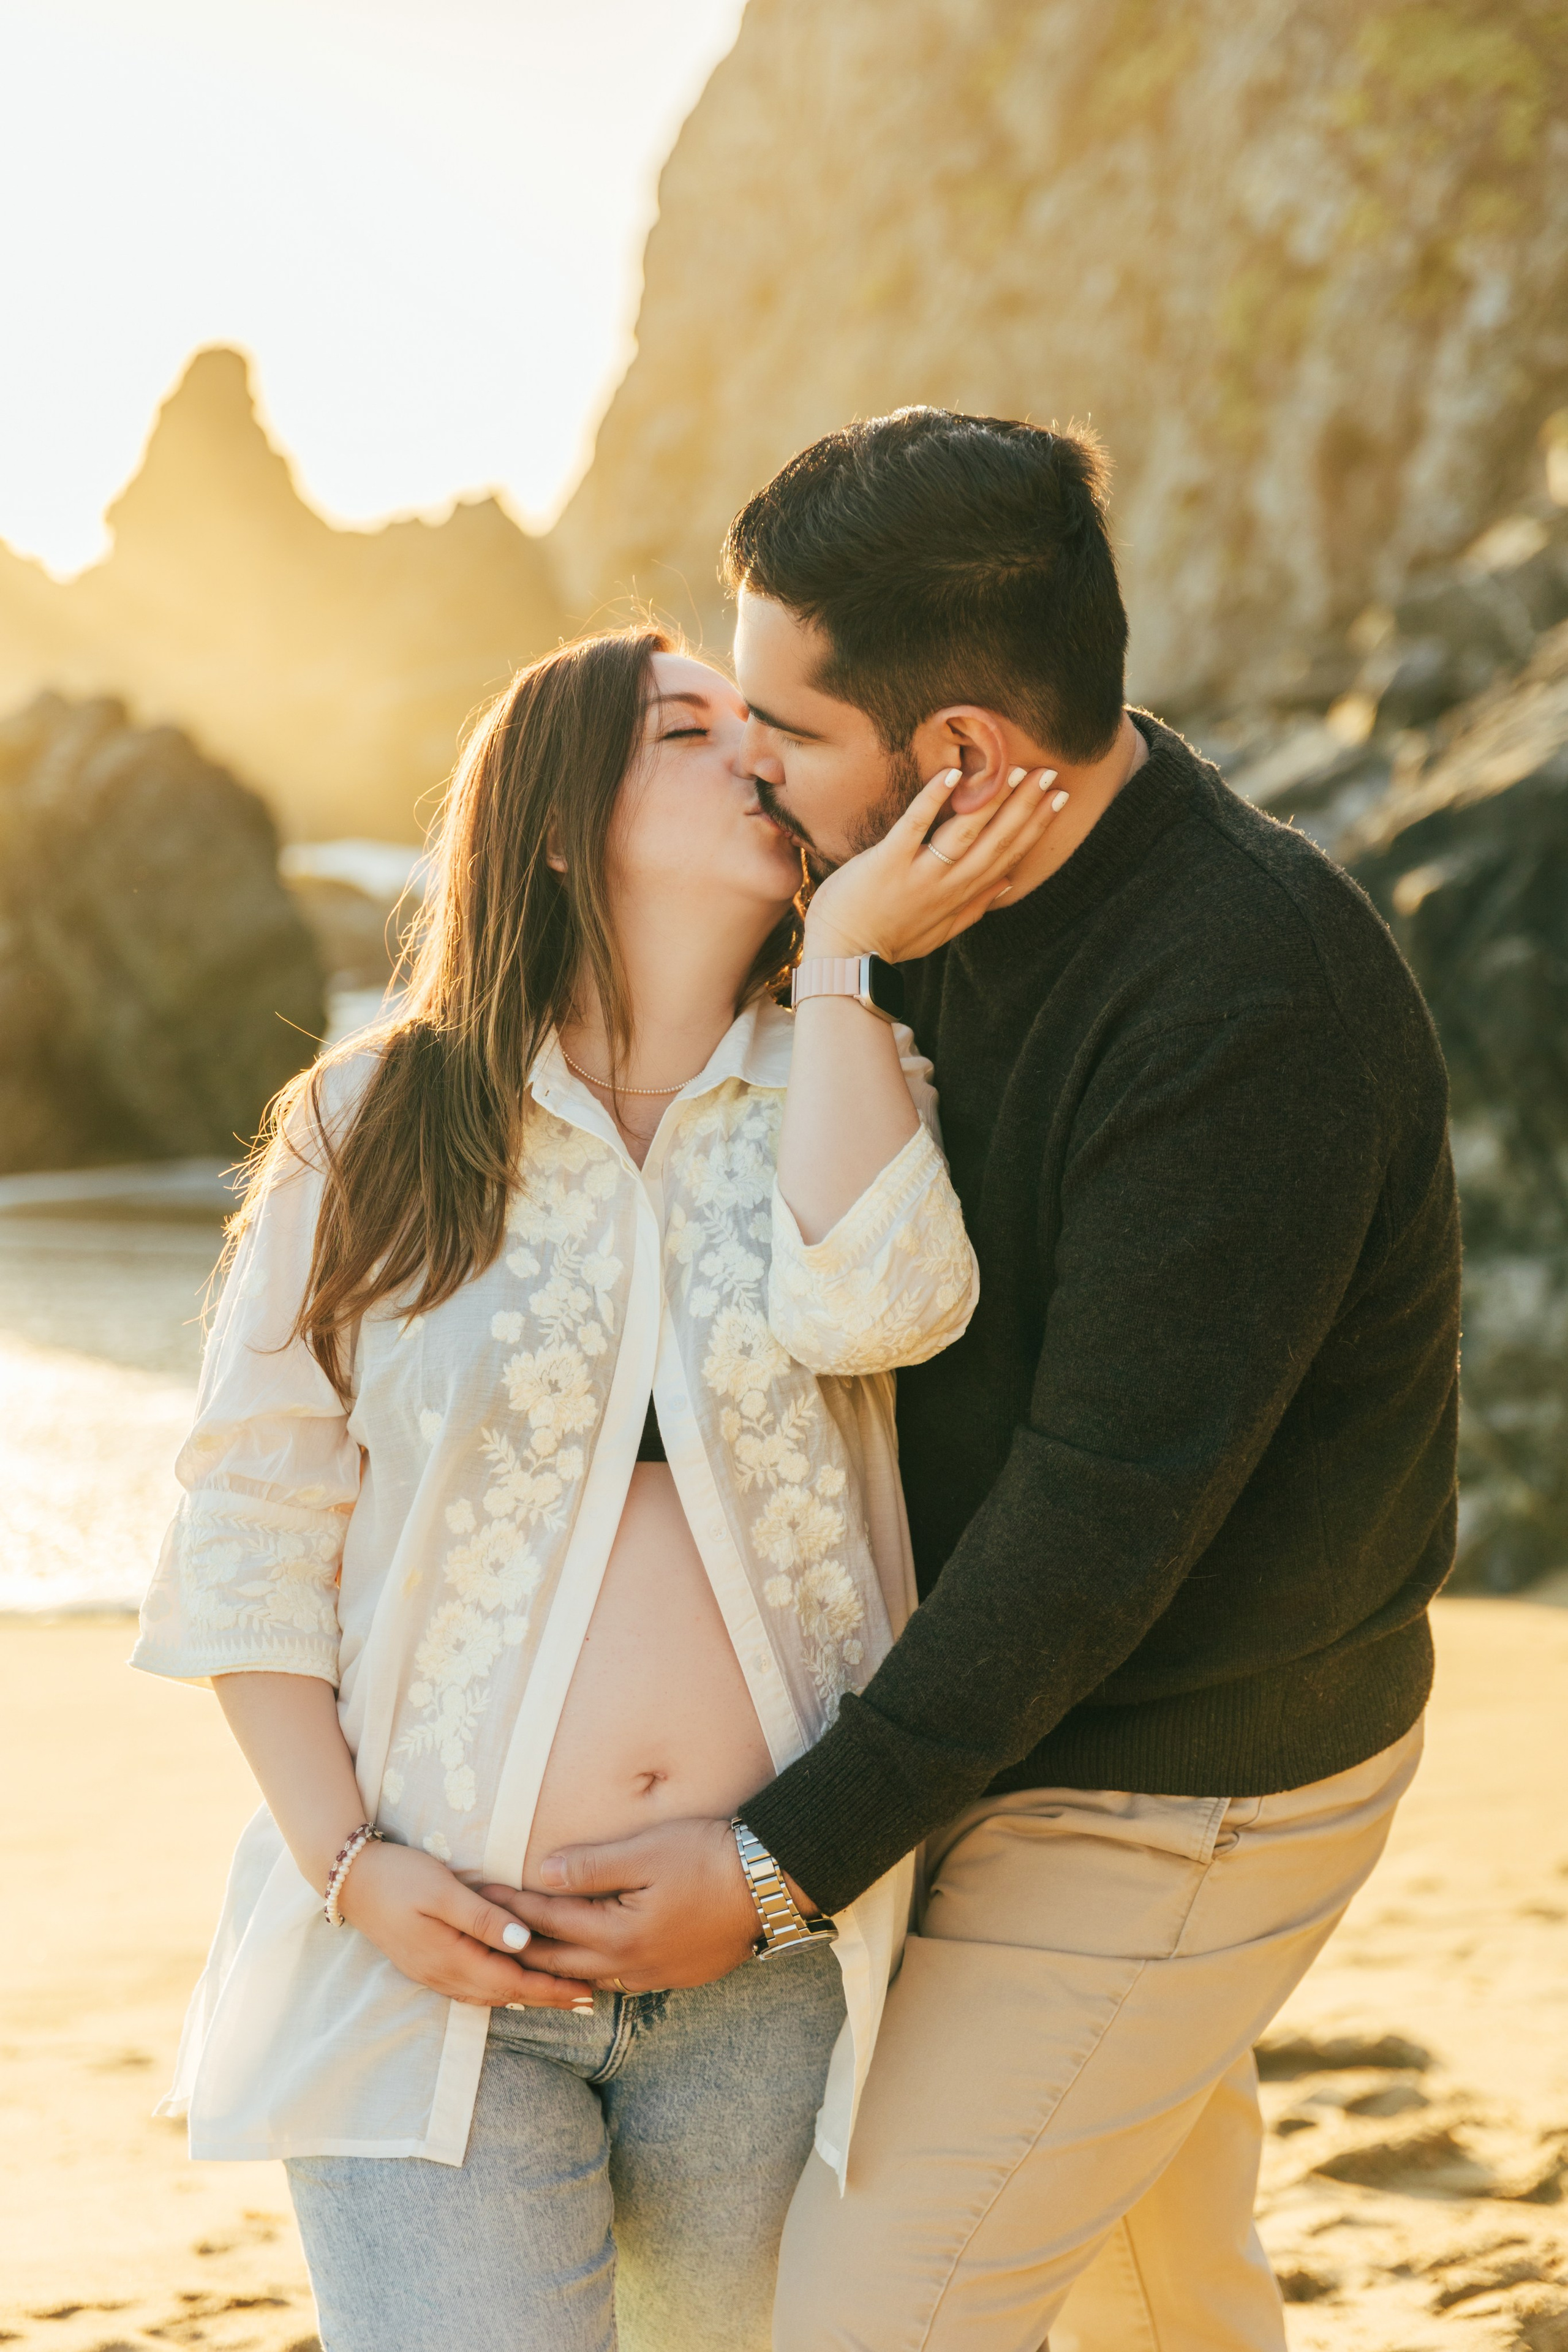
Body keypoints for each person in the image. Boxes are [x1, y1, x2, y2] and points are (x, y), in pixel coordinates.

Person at [500, 414, 1463, 2352]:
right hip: (1001, 1721)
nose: (744, 755)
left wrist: (778, 1869)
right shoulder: (878, 899)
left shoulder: (1240, 1000)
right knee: (1155, 2293)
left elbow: (1096, 1525)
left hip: (1188, 1771)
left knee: (872, 2319)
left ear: (962, 756)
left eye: (783, 722)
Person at [130, 622, 1074, 2352]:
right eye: (685, 730)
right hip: (428, 1951)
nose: (756, 755)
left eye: (762, 730)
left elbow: (887, 1307)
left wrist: (851, 969)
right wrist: (348, 1869)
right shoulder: (370, 1125)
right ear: (559, 821)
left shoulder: (851, 1080)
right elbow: (250, 1527)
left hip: (769, 1962)